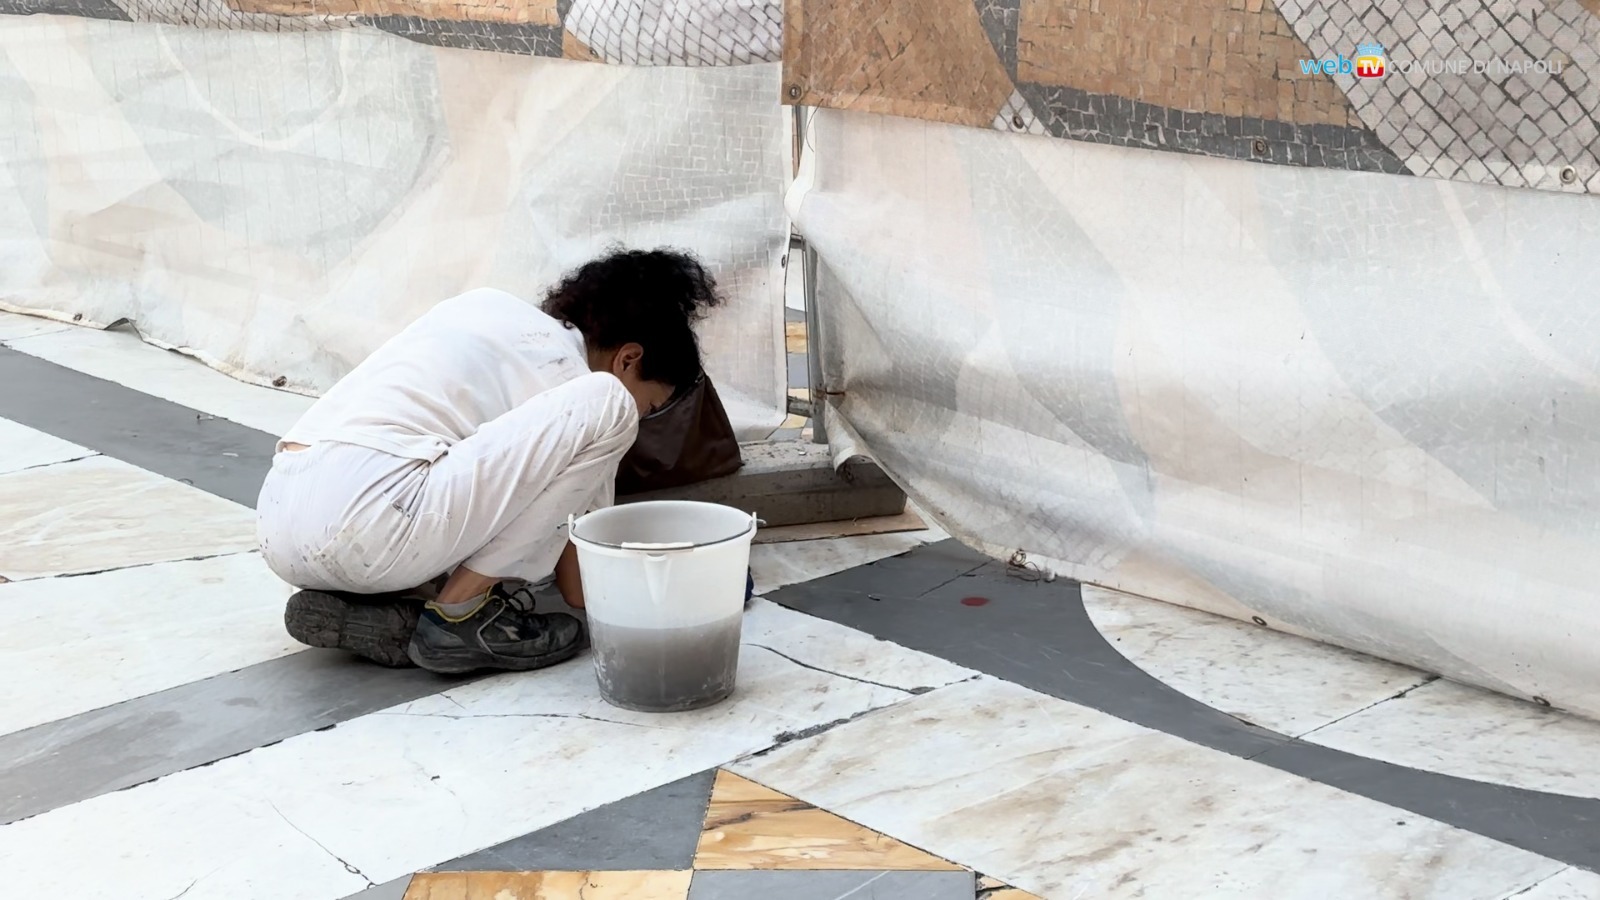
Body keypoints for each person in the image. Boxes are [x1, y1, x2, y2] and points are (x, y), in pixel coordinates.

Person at [255, 247, 719, 674]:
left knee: (448, 496)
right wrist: (686, 587)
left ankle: (385, 607)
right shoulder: (580, 383)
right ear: (628, 359)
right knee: (607, 410)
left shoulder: (485, 309)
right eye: (652, 405)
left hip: (280, 525)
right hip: (374, 521)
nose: (644, 419)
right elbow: (581, 585)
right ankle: (459, 615)